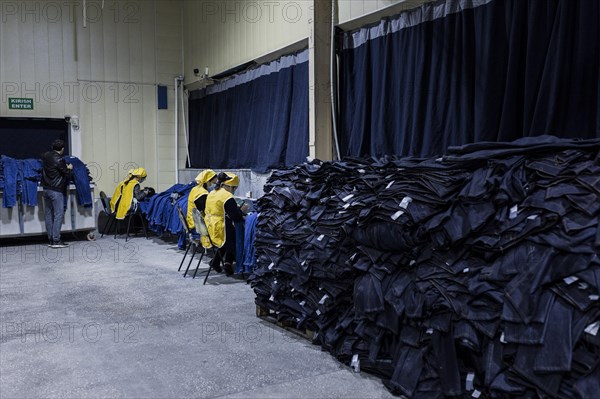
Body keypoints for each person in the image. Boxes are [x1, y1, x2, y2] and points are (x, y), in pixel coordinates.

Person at [204, 173, 249, 275]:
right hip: (220, 228)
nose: (234, 190)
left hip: (210, 227)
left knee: (228, 237)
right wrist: (242, 210)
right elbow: (236, 217)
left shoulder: (212, 193)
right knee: (236, 238)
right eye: (234, 188)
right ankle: (230, 264)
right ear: (229, 186)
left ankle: (218, 262)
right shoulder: (227, 196)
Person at [41, 139, 73, 248]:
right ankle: (56, 240)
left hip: (45, 189)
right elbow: (67, 175)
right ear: (62, 149)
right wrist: (69, 169)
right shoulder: (60, 160)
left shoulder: (45, 156)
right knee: (58, 215)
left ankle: (50, 239)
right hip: (56, 190)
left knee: (48, 215)